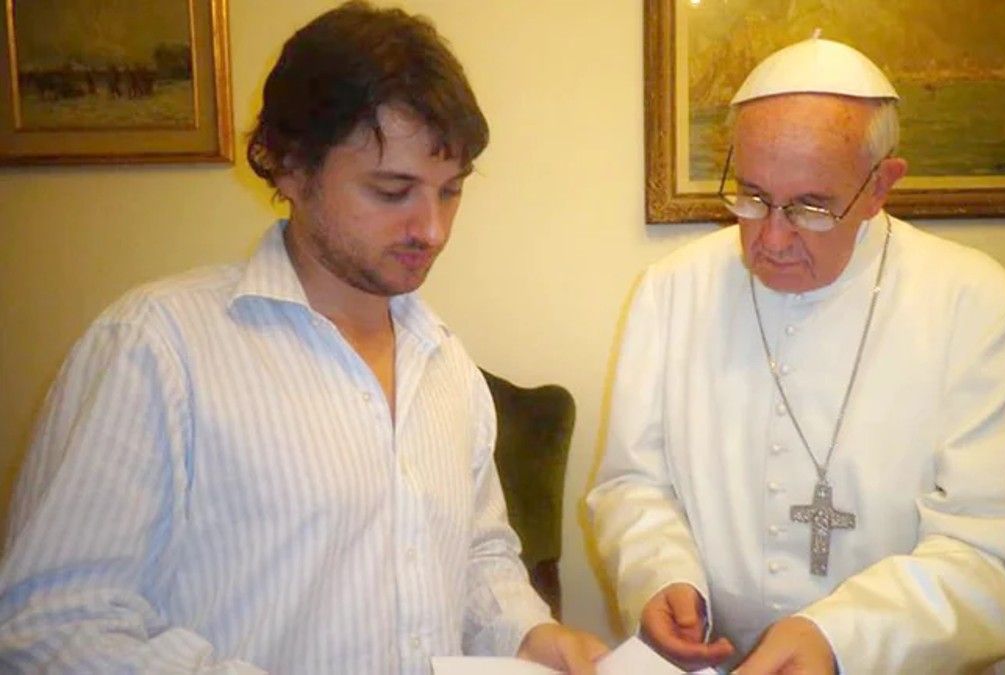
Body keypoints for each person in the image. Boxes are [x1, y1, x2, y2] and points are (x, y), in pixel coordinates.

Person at [0, 3, 606, 673]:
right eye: (392, 189)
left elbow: (478, 557)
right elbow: (50, 625)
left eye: (451, 191)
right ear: (290, 165)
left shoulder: (448, 366)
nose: (431, 229)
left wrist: (532, 634)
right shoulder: (155, 350)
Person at [587, 34, 1005, 674]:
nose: (772, 239)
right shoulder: (672, 291)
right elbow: (632, 483)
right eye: (752, 196)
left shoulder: (980, 309)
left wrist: (842, 640)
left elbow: (997, 558)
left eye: (811, 207)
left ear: (880, 186)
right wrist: (660, 573)